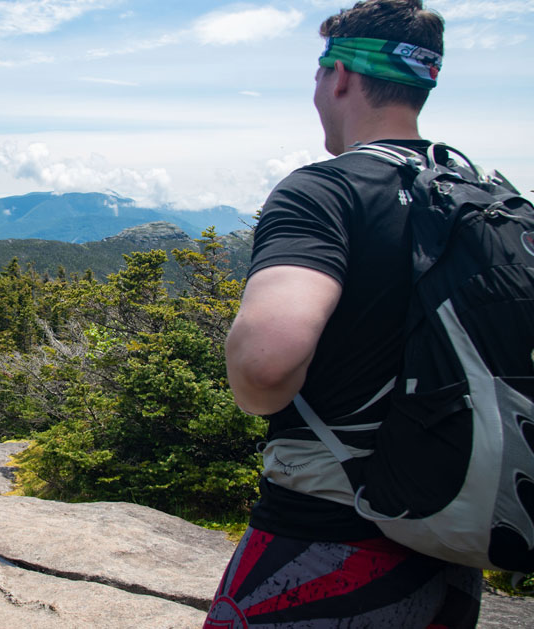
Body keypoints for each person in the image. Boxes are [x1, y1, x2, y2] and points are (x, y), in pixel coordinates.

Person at [207, 1, 483, 626]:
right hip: (450, 535)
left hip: (324, 538)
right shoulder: (479, 194)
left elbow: (265, 366)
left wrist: (253, 391)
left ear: (338, 76)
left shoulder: (325, 190)